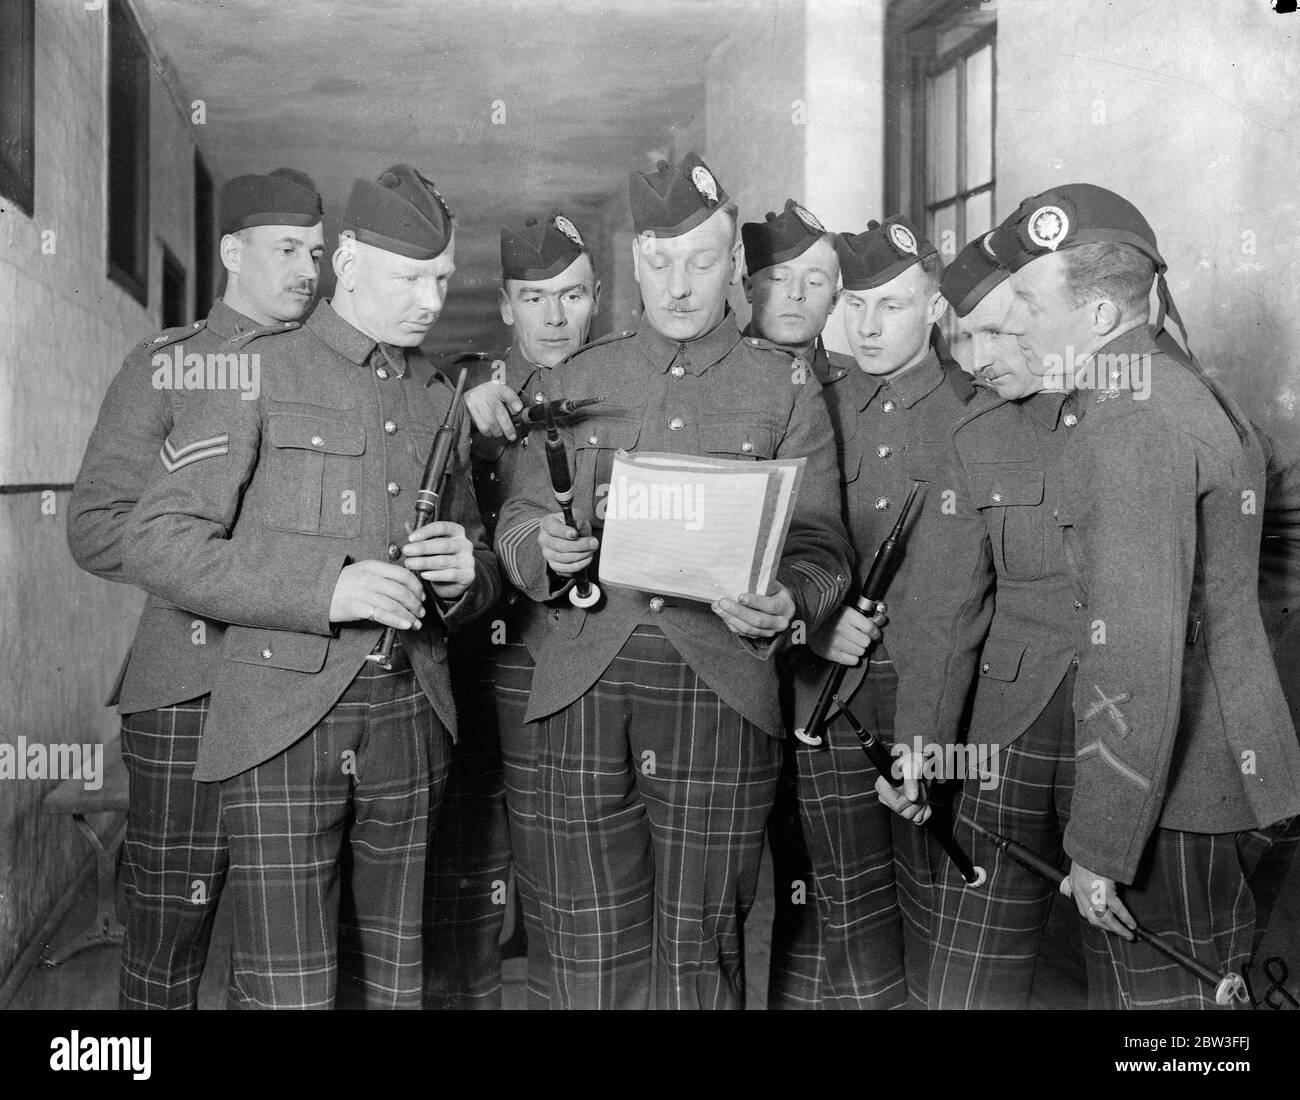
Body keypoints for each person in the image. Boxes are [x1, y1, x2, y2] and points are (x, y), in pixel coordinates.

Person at [123, 164, 500, 1009]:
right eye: (411, 278)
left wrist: (471, 572)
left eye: (442, 279)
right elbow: (156, 540)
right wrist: (325, 588)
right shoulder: (255, 370)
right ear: (353, 262)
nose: (432, 301)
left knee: (395, 983)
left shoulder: (440, 394)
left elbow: (481, 566)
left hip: (414, 720)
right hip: (281, 725)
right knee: (288, 989)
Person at [494, 152, 851, 1009]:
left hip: (720, 691)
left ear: (734, 264)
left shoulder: (786, 385)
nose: (679, 285)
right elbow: (514, 519)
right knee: (583, 951)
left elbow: (824, 548)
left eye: (701, 261)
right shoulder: (574, 380)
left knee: (699, 955)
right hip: (580, 687)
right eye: (659, 263)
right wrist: (545, 545)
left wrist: (789, 603)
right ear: (634, 265)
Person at [994, 182, 1300, 1008]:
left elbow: (1132, 647)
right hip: (1216, 779)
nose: (1012, 319)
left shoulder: (1132, 421)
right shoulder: (1171, 383)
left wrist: (1099, 844)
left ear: (1099, 318)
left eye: (1027, 299)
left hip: (1176, 798)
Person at [67, 168, 324, 1009]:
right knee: (167, 938)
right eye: (286, 249)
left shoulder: (331, 366)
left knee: (291, 942)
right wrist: (221, 569)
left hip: (307, 687)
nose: (306, 270)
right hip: (188, 691)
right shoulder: (169, 366)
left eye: (316, 253)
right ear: (230, 253)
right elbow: (96, 525)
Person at [885, 230, 1087, 1008]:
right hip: (1008, 738)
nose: (978, 359)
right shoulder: (977, 437)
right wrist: (921, 753)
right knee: (968, 984)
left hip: (1139, 735)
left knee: (1153, 997)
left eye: (1003, 330)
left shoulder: (1153, 413)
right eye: (967, 336)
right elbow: (944, 614)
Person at [783, 215, 975, 1007]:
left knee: (948, 924)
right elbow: (779, 544)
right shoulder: (810, 405)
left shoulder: (980, 408)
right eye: (854, 305)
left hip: (945, 708)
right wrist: (816, 623)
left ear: (934, 308)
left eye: (891, 305)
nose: (865, 326)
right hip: (829, 702)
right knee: (850, 924)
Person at [428, 212, 601, 1008]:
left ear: (596, 299)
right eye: (536, 298)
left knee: (572, 883)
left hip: (573, 671)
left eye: (571, 296)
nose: (555, 318)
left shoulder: (619, 395)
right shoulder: (458, 400)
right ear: (506, 306)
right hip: (472, 672)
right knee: (467, 883)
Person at [738, 198, 849, 1008]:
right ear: (746, 285)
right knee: (735, 873)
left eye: (816, 280)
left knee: (824, 872)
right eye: (778, 278)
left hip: (827, 678)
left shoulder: (858, 388)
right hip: (727, 663)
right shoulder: (716, 377)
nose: (796, 295)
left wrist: (824, 611)